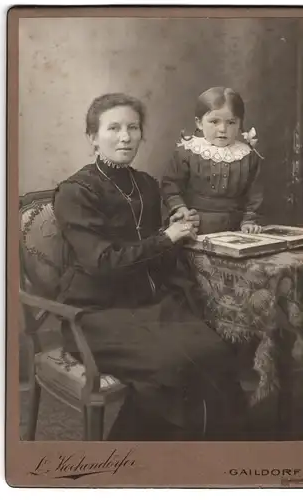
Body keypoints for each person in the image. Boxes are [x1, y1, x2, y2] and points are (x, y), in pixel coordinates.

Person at [53, 92, 247, 441]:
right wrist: (166, 238)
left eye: (133, 127)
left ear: (142, 134)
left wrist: (178, 222)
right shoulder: (75, 191)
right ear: (93, 137)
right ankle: (136, 458)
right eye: (113, 128)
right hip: (95, 314)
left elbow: (156, 248)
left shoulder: (144, 184)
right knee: (175, 365)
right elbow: (101, 262)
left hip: (148, 305)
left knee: (214, 350)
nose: (125, 137)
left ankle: (189, 455)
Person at [161, 86, 264, 235]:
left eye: (231, 122)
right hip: (195, 226)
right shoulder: (187, 152)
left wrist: (249, 221)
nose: (223, 128)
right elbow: (170, 186)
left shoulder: (248, 156)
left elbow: (255, 195)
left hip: (236, 227)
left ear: (240, 123)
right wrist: (181, 210)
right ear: (199, 123)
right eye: (214, 121)